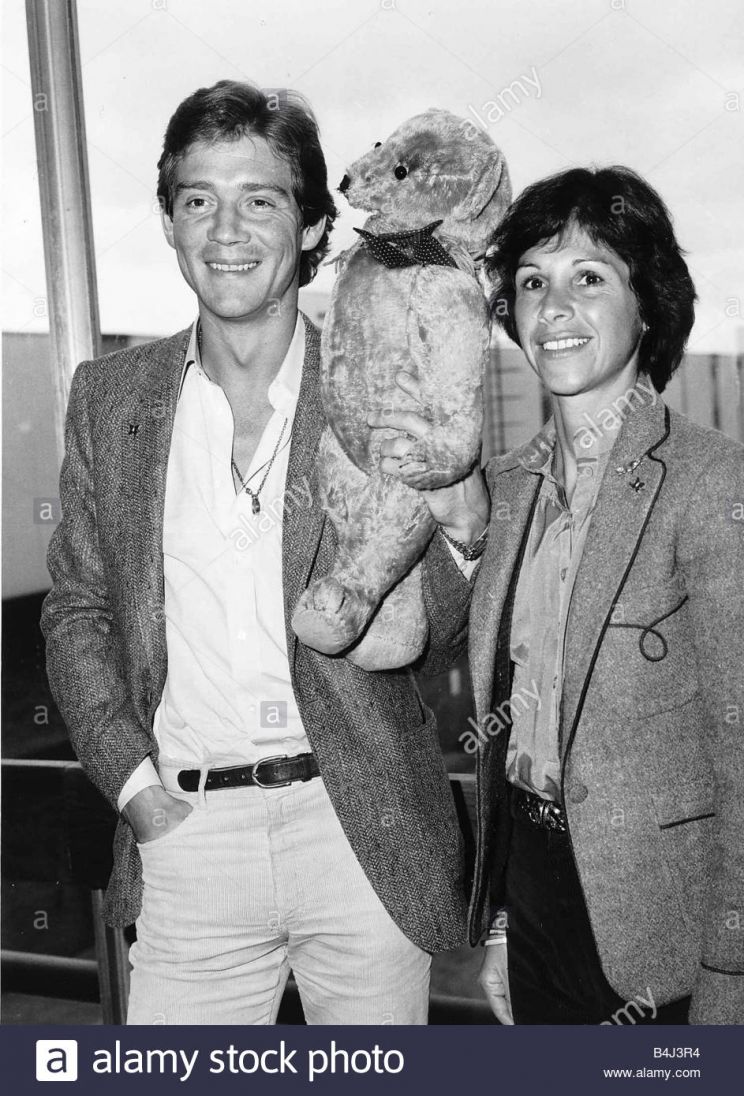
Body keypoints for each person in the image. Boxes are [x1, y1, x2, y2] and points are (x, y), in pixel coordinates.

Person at [41, 80, 479, 1025]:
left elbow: (438, 631)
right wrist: (137, 791)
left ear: (314, 224)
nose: (227, 230)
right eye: (199, 199)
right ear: (169, 221)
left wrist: (464, 532)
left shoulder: (381, 385)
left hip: (359, 836)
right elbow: (77, 609)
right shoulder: (110, 399)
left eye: (261, 200)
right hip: (188, 843)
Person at [380, 166, 744, 1025]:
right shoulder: (504, 491)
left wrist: (729, 978)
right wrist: (505, 927)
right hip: (536, 901)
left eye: (590, 278)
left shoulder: (710, 485)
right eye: (533, 283)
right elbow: (472, 702)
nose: (554, 308)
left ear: (647, 305)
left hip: (666, 930)